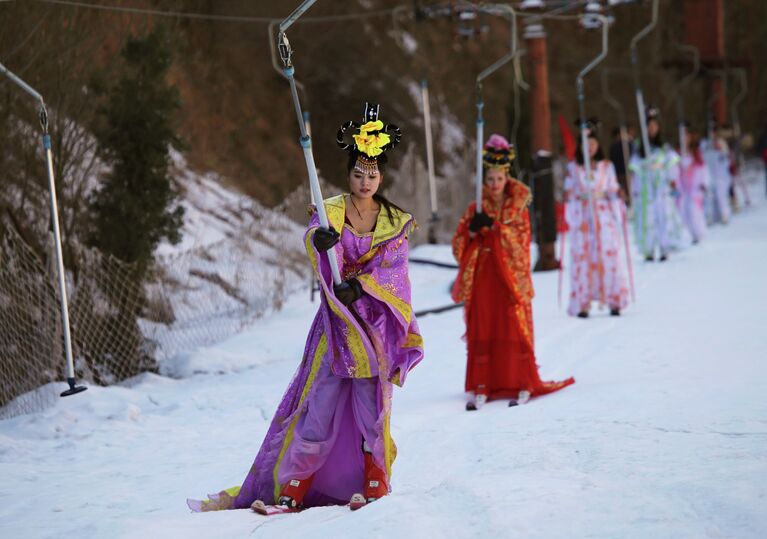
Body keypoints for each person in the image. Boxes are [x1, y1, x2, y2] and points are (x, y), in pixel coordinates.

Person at [187, 103, 423, 512]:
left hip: (371, 331)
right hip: (334, 329)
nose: (364, 182)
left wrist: (362, 288)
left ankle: (374, 485)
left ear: (381, 177)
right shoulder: (329, 211)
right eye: (357, 173)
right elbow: (314, 237)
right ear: (348, 173)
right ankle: (291, 491)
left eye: (372, 175)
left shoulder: (394, 222)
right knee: (318, 408)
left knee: (372, 411)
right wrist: (319, 243)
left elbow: (395, 273)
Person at [451, 134, 574, 411]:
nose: (494, 185)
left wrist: (495, 229)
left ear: (507, 178)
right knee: (485, 326)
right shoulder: (476, 207)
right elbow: (458, 244)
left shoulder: (518, 207)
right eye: (490, 179)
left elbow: (521, 242)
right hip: (484, 277)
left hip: (507, 278)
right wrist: (472, 231)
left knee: (511, 328)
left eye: (499, 179)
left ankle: (521, 381)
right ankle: (484, 383)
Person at [564, 121, 630, 318]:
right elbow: (570, 191)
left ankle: (613, 299)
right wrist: (572, 201)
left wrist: (617, 196)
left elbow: (612, 188)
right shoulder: (574, 168)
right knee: (584, 256)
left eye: (592, 143)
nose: (590, 148)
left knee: (608, 255)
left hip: (602, 215)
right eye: (586, 144)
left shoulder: (606, 166)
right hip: (583, 216)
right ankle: (583, 302)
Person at [629, 107, 687, 261]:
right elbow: (635, 167)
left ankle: (664, 247)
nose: (652, 129)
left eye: (654, 125)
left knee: (662, 216)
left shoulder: (664, 147)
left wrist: (670, 179)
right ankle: (648, 249)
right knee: (648, 217)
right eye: (649, 126)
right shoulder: (639, 147)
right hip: (646, 187)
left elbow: (672, 165)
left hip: (660, 186)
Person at [678, 129, 709, 244]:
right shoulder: (679, 154)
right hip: (684, 189)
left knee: (694, 210)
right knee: (684, 211)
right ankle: (691, 233)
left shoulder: (696, 154)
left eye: (687, 137)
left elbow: (703, 168)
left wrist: (704, 183)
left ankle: (699, 233)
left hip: (695, 188)